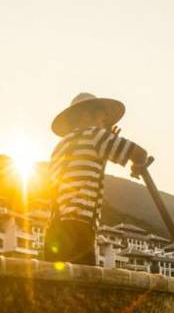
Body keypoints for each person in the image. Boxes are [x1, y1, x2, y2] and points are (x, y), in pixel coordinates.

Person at [43, 92, 149, 265]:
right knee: (85, 279)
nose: (105, 121)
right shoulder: (95, 136)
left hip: (55, 227)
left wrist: (108, 141)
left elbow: (88, 166)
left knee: (57, 278)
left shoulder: (60, 146)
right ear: (86, 115)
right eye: (102, 117)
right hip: (79, 226)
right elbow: (140, 154)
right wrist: (137, 166)